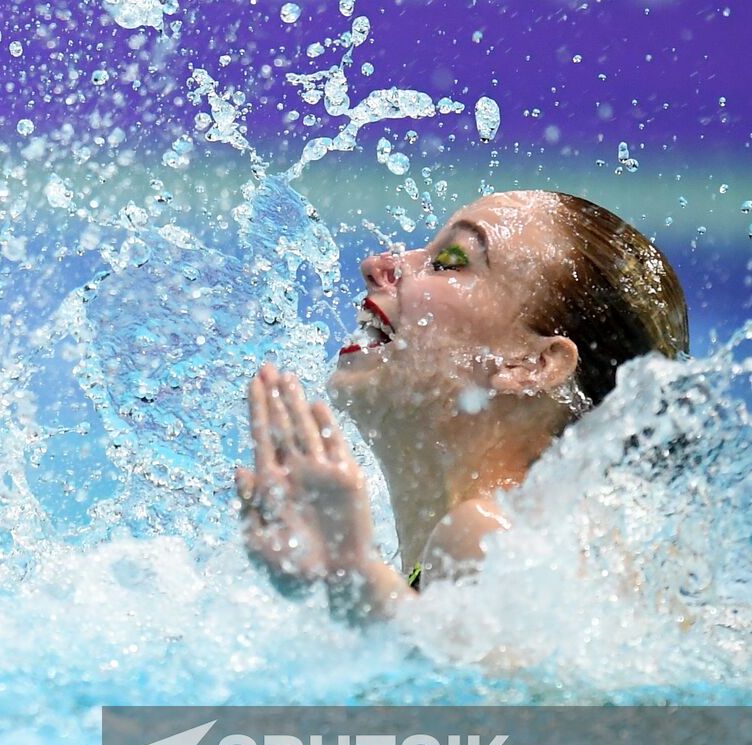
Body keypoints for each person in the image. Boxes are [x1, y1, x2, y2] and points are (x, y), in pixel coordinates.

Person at [236, 190, 689, 620]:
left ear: (532, 364)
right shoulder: (538, 550)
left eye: (449, 262)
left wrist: (350, 570)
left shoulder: (490, 538)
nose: (377, 264)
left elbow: (497, 693)